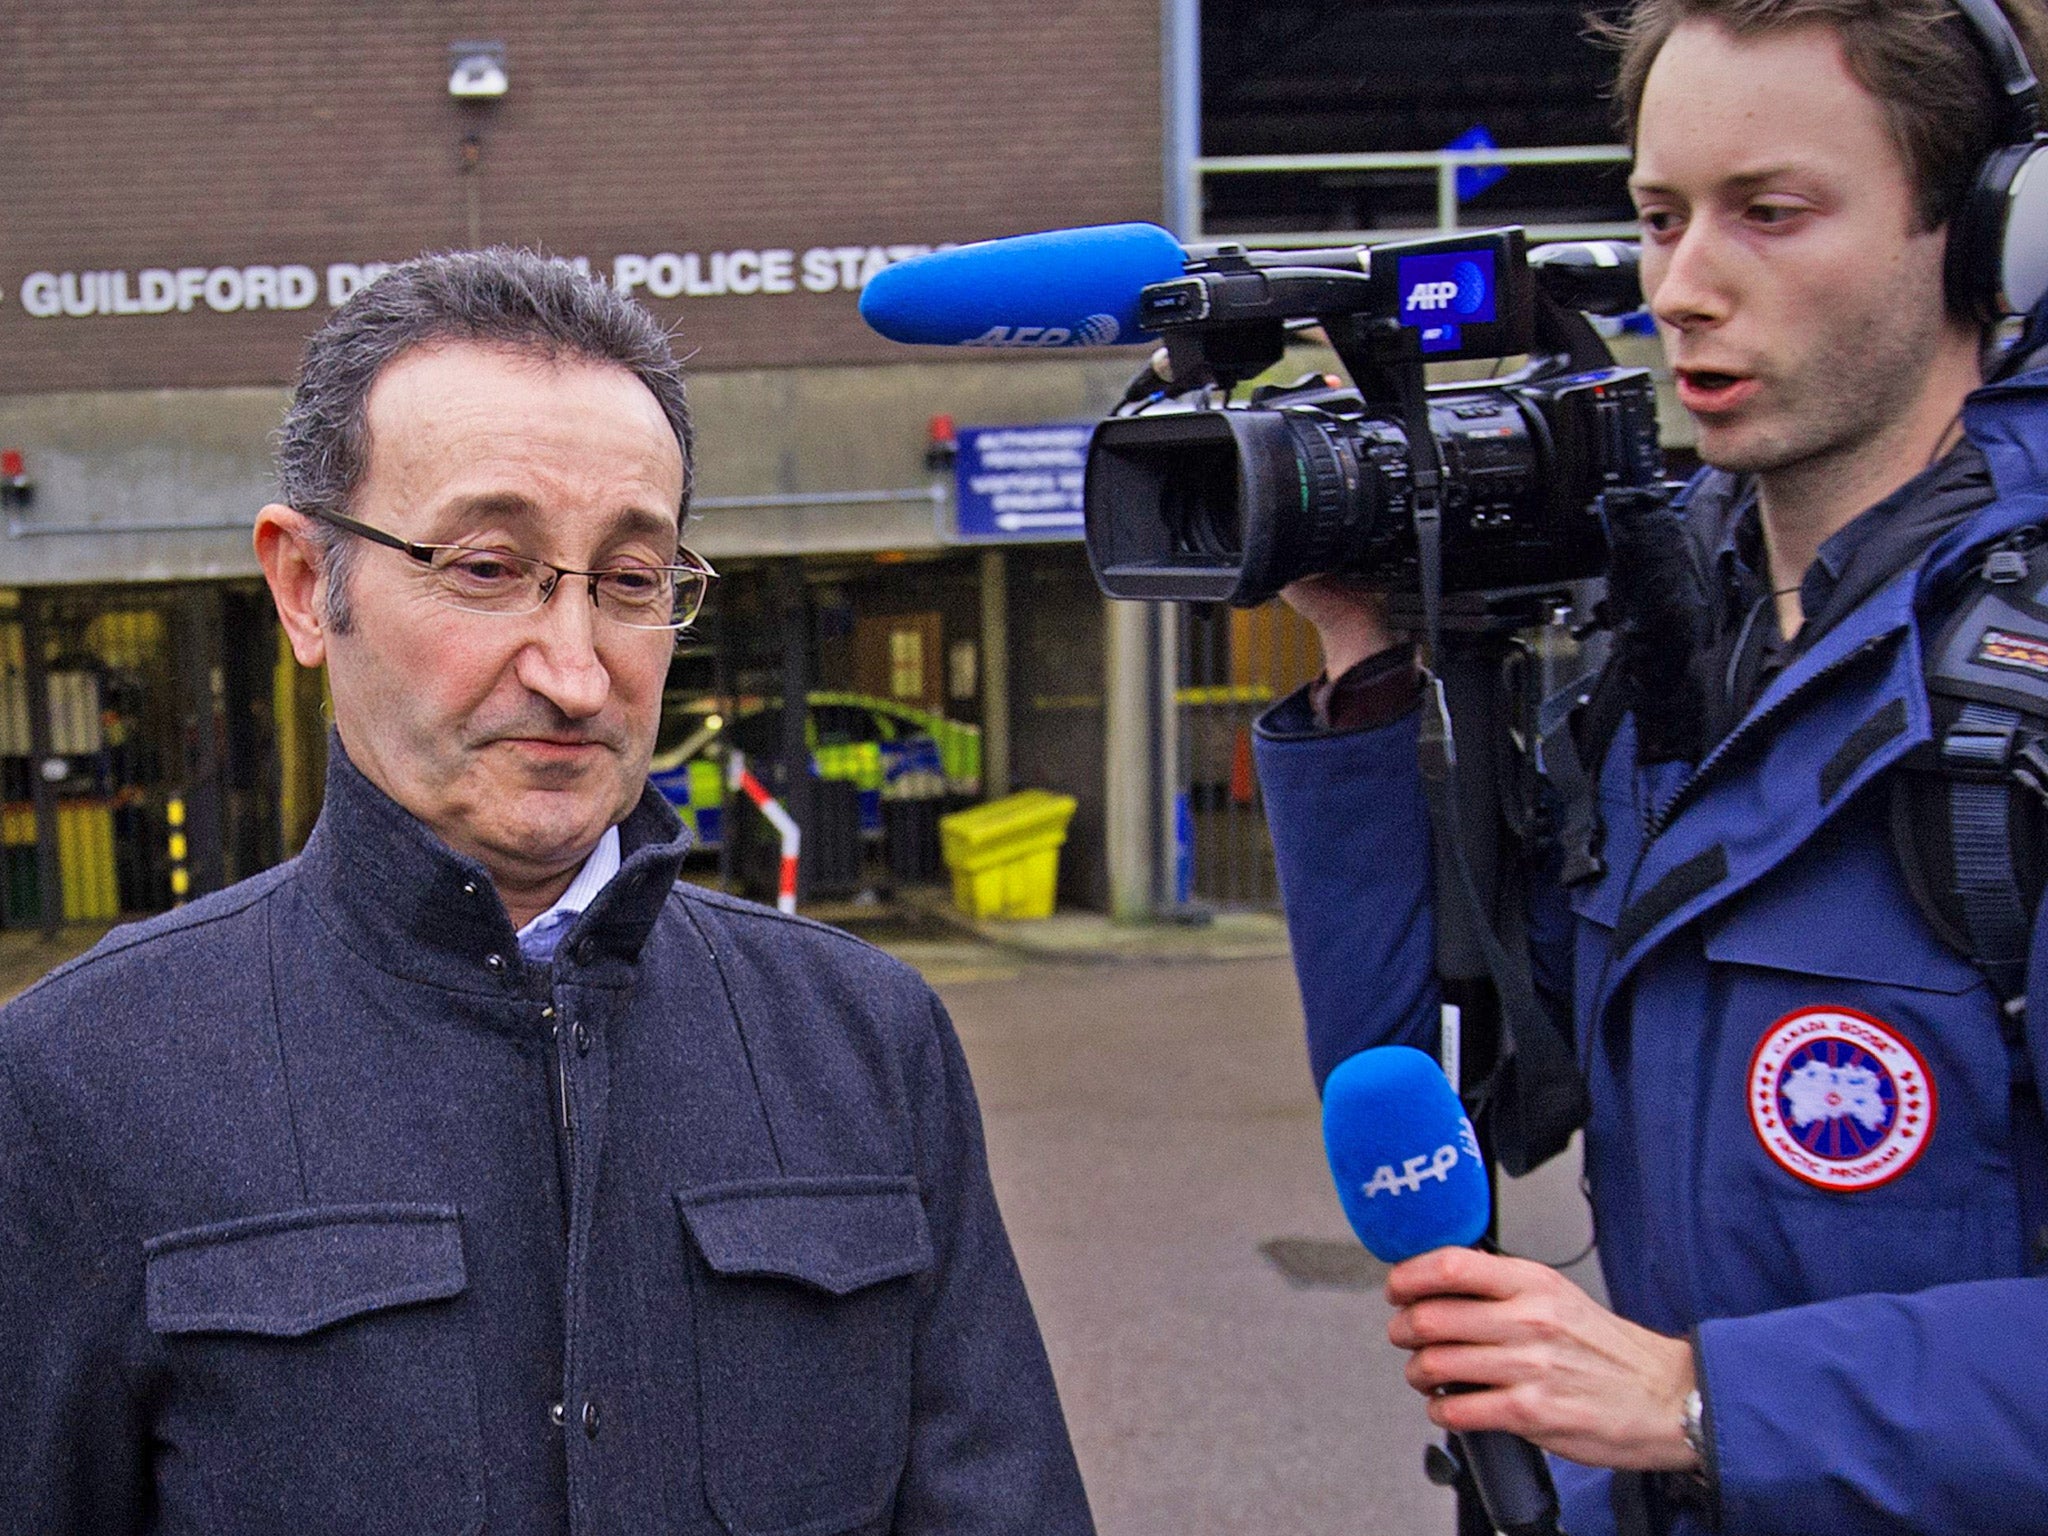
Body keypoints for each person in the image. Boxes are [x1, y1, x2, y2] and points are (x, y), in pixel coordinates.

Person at [0, 248, 1095, 1536]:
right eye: (485, 566)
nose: (576, 672)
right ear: (307, 586)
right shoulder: (79, 1078)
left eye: (631, 582)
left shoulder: (867, 1039)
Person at [1255, 2, 2048, 1532]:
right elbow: (1463, 1089)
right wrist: (1367, 674)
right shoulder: (1663, 643)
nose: (1684, 288)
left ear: (1986, 235)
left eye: (1771, 213)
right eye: (1662, 217)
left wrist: (1699, 1402)